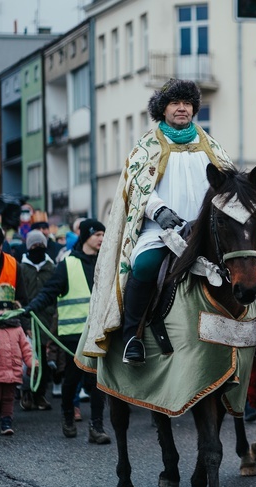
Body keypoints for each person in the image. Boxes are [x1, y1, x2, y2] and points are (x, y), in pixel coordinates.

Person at [80, 79, 233, 364]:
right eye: (175, 103)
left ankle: (251, 330)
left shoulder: (210, 145)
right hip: (161, 231)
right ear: (163, 110)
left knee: (251, 265)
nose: (182, 109)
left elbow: (228, 184)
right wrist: (158, 210)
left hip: (204, 232)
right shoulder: (147, 146)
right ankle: (131, 338)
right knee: (145, 265)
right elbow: (135, 188)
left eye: (187, 103)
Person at [22, 219, 111, 444]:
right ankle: (68, 417)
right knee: (72, 379)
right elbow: (49, 291)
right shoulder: (68, 264)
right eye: (97, 234)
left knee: (96, 380)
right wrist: (32, 306)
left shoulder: (107, 263)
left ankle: (96, 427)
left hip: (98, 333)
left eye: (103, 234)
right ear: (85, 237)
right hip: (73, 334)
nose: (101, 238)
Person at [18, 229, 58, 412]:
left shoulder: (52, 268)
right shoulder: (22, 268)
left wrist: (52, 318)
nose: (38, 248)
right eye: (34, 246)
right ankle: (26, 392)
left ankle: (39, 394)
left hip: (46, 321)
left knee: (42, 358)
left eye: (41, 245)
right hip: (27, 321)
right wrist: (24, 322)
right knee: (27, 358)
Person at [0, 288, 36, 435]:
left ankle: (6, 422)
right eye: (1, 309)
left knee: (8, 398)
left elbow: (26, 347)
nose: (4, 312)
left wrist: (31, 362)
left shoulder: (17, 328)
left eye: (8, 309)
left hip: (12, 370)